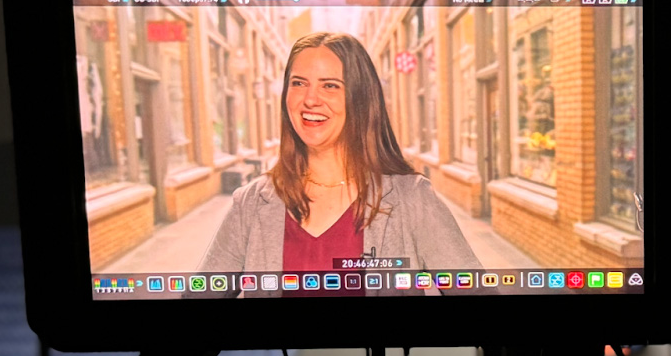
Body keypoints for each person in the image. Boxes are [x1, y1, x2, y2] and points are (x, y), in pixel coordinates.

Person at [198, 32, 484, 295]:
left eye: (330, 86)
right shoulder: (250, 204)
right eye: (298, 83)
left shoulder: (412, 199)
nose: (310, 99)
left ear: (360, 99)